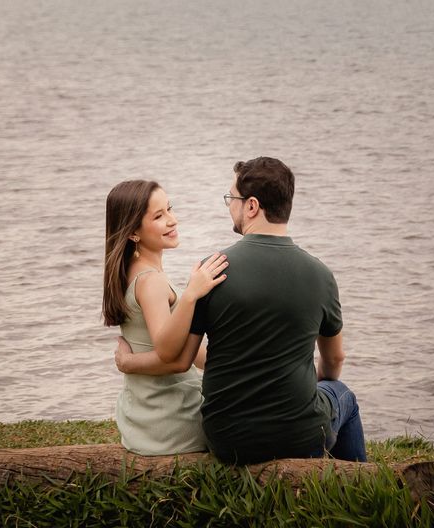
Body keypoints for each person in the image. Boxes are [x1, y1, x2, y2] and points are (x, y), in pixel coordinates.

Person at [116, 157, 366, 465]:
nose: (228, 206)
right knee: (341, 394)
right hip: (300, 435)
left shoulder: (213, 269)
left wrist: (129, 362)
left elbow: (184, 356)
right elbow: (334, 360)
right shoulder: (321, 275)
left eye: (231, 199)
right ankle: (355, 479)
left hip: (226, 438)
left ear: (251, 207)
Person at [103, 179, 228, 455]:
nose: (173, 220)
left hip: (141, 422)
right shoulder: (151, 282)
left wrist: (242, 361)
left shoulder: (131, 273)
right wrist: (191, 295)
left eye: (169, 209)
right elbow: (169, 351)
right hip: (174, 423)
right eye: (159, 216)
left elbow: (189, 353)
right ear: (134, 232)